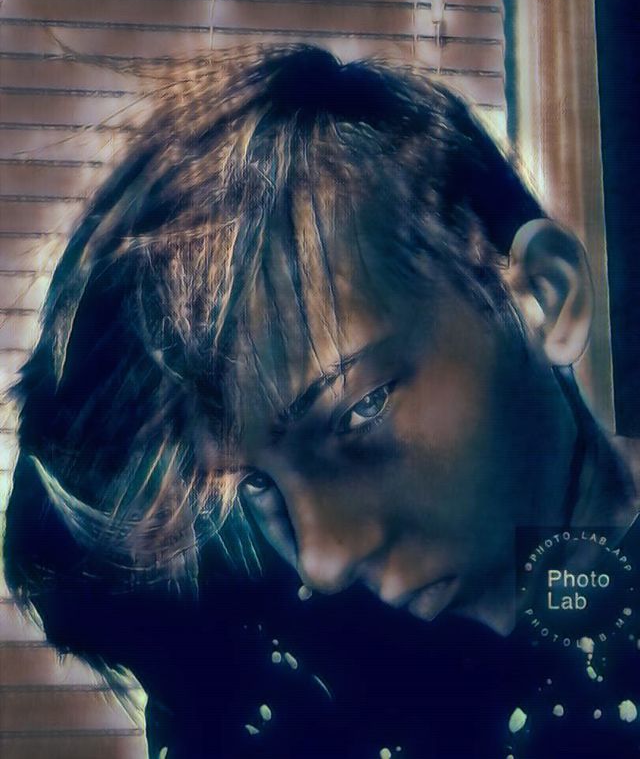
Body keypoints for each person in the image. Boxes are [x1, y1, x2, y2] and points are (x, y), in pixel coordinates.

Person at [4, 44, 639, 758]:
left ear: (545, 296)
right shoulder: (276, 666)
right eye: (258, 479)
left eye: (362, 408)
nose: (324, 560)